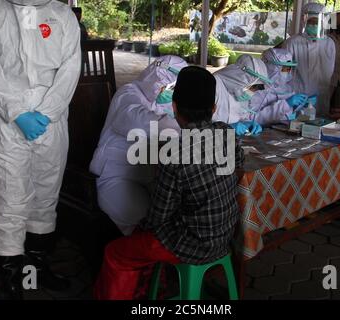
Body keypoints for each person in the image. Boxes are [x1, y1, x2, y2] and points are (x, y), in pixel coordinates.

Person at [93, 66, 244, 300]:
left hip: (192, 245)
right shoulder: (227, 133)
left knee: (116, 253)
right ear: (214, 109)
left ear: (173, 108)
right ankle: (157, 283)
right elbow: (238, 167)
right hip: (225, 238)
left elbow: (158, 217)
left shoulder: (173, 153)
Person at [0, 0, 81, 299]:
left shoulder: (61, 13)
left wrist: (48, 111)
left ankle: (37, 268)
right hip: (4, 120)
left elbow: (71, 65)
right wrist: (16, 111)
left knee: (46, 194)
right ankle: (11, 276)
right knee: (10, 197)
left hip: (51, 119)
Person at [90, 56, 188, 237]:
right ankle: (135, 259)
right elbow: (142, 122)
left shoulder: (163, 102)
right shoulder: (128, 94)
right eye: (171, 87)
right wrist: (187, 128)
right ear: (156, 78)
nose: (172, 93)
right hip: (117, 177)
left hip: (149, 176)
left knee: (177, 214)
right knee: (149, 223)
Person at [283, 2, 336, 116]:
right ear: (304, 21)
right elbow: (284, 71)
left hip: (320, 97)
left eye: (317, 22)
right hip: (298, 94)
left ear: (323, 23)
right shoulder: (292, 42)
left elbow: (329, 72)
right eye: (310, 22)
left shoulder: (329, 43)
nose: (313, 25)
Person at [213, 55, 271, 134]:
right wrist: (226, 129)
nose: (252, 92)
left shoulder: (239, 91)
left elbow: (242, 115)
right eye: (253, 87)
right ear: (241, 78)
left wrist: (247, 123)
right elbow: (197, 124)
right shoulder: (212, 85)